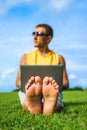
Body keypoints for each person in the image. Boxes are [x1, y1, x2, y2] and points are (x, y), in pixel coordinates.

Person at [15, 23, 69, 115]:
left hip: (51, 91)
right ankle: (38, 102)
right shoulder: (25, 57)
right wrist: (31, 87)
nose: (34, 37)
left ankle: (47, 102)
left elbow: (66, 83)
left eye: (39, 33)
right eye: (34, 33)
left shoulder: (59, 58)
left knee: (54, 96)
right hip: (30, 91)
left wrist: (54, 86)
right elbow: (18, 82)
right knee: (28, 96)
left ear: (48, 38)